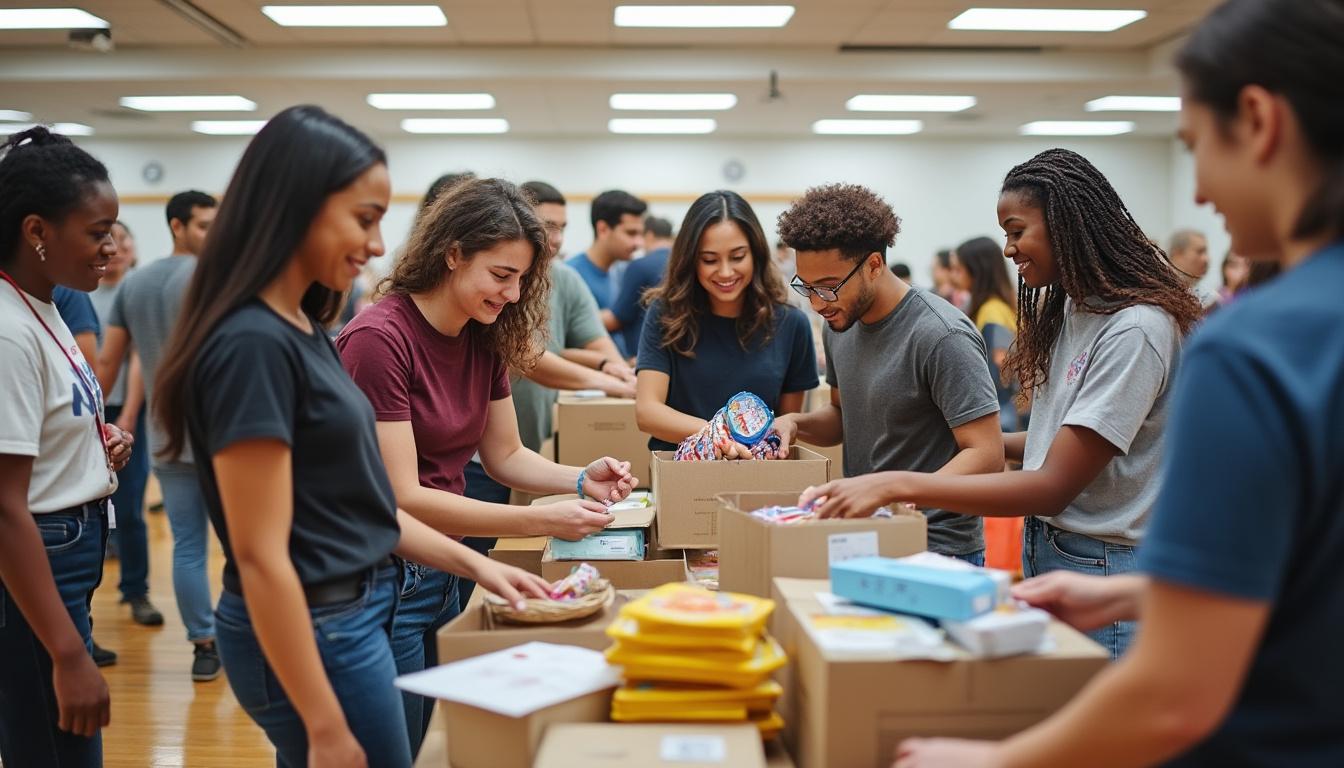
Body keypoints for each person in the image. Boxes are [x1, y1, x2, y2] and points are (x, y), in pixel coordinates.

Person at [896, 1, 1344, 765]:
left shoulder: (1255, 344)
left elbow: (1176, 691)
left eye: (1196, 148)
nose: (1199, 191)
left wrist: (997, 761)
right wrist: (1146, 596)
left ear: (1261, 121)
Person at [151, 105, 552, 768]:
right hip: (321, 622)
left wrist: (480, 565)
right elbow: (260, 557)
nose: (375, 244)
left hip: (357, 607)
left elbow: (362, 510)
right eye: (363, 219)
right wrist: (322, 722)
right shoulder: (253, 342)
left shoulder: (302, 326)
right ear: (297, 208)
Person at [797, 154, 1201, 658]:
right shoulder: (1078, 310)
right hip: (1055, 550)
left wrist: (897, 483)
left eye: (1016, 231)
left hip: (1105, 562)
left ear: (1067, 226)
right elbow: (1056, 444)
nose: (1007, 249)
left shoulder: (1136, 329)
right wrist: (961, 442)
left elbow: (1053, 484)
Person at [336, 176, 637, 755]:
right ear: (452, 253)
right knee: (392, 750)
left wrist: (579, 478)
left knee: (427, 744)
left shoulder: (482, 334)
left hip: (445, 568)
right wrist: (543, 520)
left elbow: (505, 456)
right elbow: (403, 495)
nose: (513, 293)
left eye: (523, 279)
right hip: (381, 576)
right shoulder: (379, 339)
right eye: (501, 275)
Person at [770, 184, 1003, 564]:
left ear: (874, 265)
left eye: (828, 288)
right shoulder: (839, 325)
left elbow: (987, 454)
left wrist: (894, 489)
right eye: (806, 287)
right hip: (863, 535)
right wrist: (796, 422)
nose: (815, 303)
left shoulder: (941, 335)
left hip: (935, 545)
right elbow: (844, 417)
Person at [0, 126, 134, 768]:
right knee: (54, 751)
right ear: (37, 232)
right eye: (98, 230)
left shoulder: (46, 303)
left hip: (68, 547)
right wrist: (69, 653)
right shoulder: (7, 329)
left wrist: (94, 440)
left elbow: (43, 423)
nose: (112, 246)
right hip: (38, 555)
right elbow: (4, 506)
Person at [97, 189, 222, 682]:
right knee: (239, 548)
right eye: (204, 226)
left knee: (188, 545)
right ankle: (241, 639)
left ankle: (204, 645)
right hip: (223, 439)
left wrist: (85, 423)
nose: (213, 236)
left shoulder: (136, 284)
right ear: (177, 226)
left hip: (168, 436)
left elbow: (109, 362)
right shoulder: (216, 278)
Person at [635, 190, 818, 457]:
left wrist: (737, 444)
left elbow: (785, 426)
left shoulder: (792, 324)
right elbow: (648, 412)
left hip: (758, 477)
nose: (725, 272)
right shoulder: (665, 314)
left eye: (737, 256)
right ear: (690, 259)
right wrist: (720, 437)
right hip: (680, 473)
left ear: (755, 253)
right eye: (709, 260)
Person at [88, 221, 161, 630]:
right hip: (85, 411)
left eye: (122, 239)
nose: (113, 248)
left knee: (130, 507)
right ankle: (87, 594)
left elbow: (139, 358)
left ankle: (136, 590)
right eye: (105, 238)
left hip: (127, 411)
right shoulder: (78, 289)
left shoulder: (135, 290)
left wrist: (129, 413)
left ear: (131, 248)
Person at [950, 236, 1021, 431]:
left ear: (976, 271)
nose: (953, 276)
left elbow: (1001, 363)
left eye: (958, 269)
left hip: (1001, 409)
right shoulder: (993, 307)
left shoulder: (992, 311)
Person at [567, 189, 646, 338]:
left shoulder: (623, 272)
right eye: (631, 233)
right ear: (603, 229)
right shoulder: (570, 274)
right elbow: (567, 329)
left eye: (641, 234)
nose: (639, 243)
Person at [611, 214, 673, 358]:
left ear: (649, 235)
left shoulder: (639, 266)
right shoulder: (685, 263)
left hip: (644, 356)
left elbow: (620, 316)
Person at [1168, 228, 1214, 305]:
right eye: (1199, 252)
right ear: (1177, 254)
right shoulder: (1159, 293)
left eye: (1205, 252)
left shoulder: (1207, 297)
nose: (1206, 259)